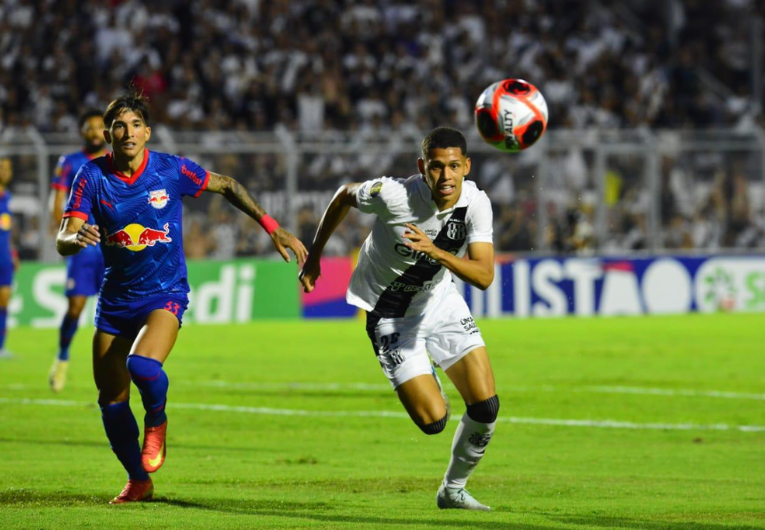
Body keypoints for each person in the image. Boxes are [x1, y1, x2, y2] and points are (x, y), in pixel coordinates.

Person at [56, 94, 307, 504]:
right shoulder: (91, 176)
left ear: (147, 132)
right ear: (108, 135)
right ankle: (139, 480)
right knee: (111, 401)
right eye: (120, 126)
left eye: (136, 124)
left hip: (164, 293)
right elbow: (64, 236)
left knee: (142, 364)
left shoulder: (170, 169)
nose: (129, 132)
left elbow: (226, 185)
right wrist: (74, 237)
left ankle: (157, 419)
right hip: (116, 300)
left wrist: (271, 226)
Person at [300, 127, 499, 511]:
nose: (446, 177)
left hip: (439, 302)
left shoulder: (476, 203)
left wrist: (436, 253)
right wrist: (315, 255)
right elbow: (343, 195)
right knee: (433, 422)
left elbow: (485, 275)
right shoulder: (393, 194)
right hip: (389, 317)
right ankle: (424, 370)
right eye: (437, 167)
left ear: (467, 166)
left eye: (454, 167)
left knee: (486, 407)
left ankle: (453, 490)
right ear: (423, 167)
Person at [48, 110, 108, 392]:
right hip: (83, 244)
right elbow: (57, 201)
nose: (96, 132)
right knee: (76, 307)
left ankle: (118, 366)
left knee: (120, 308)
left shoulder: (115, 162)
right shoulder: (70, 163)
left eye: (100, 127)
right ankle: (62, 358)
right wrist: (67, 233)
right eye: (90, 127)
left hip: (112, 245)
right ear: (82, 132)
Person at [0, 157, 19, 359]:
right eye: (1, 168)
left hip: (4, 257)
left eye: (8, 168)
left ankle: (1, 347)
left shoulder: (7, 195)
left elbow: (6, 229)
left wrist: (13, 253)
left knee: (4, 300)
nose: (5, 172)